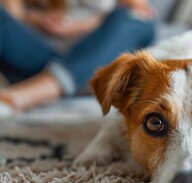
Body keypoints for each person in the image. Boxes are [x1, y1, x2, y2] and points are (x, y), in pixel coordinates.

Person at [0, 0, 155, 116]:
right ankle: (60, 86)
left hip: (99, 50)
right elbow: (14, 14)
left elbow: (139, 8)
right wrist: (37, 19)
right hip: (42, 51)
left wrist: (74, 27)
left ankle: (20, 96)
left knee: (137, 18)